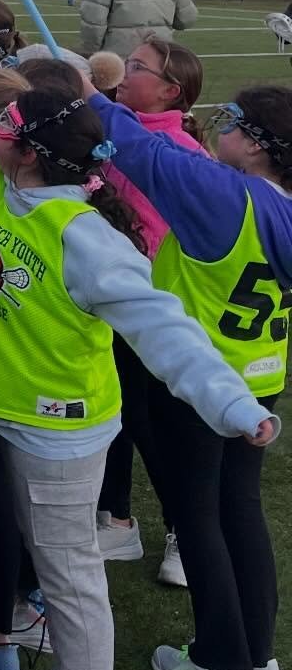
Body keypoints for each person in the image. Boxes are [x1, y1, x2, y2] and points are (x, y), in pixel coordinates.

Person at [0, 60, 277, 670]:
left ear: (29, 153)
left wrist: (233, 405)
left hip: (61, 432)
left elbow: (168, 329)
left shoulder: (88, 239)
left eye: (7, 126)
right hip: (0, 409)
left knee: (72, 578)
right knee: (57, 569)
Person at [87, 79, 292, 670]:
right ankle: (258, 660)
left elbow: (140, 151)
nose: (219, 125)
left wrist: (86, 91)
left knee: (197, 512)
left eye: (232, 118)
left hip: (198, 379)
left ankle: (220, 662)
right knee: (240, 509)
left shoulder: (230, 197)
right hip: (261, 376)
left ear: (257, 145)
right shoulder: (272, 201)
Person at [95, 39, 207, 581]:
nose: (125, 71)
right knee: (116, 410)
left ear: (170, 91)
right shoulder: (119, 129)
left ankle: (182, 529)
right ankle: (116, 520)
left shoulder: (178, 150)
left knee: (150, 422)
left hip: (152, 301)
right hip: (108, 292)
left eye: (138, 67)